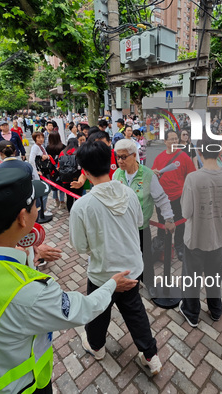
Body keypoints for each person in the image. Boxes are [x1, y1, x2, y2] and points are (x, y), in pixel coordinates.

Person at [0, 168, 137, 393]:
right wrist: (112, 285)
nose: (38, 209)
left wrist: (29, 254)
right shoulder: (26, 291)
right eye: (35, 206)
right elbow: (82, 310)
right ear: (23, 217)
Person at [70, 141, 162, 376]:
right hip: (131, 267)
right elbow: (140, 223)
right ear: (111, 164)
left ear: (85, 171)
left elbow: (80, 246)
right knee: (135, 311)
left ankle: (97, 347)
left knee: (98, 310)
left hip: (103, 273)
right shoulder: (129, 193)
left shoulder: (82, 206)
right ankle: (150, 356)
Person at [178, 137, 222, 326]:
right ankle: (215, 310)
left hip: (196, 238)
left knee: (192, 278)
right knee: (214, 277)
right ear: (220, 150)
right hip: (218, 238)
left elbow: (186, 212)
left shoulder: (193, 178)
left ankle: (191, 312)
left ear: (199, 152)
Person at [112, 139, 174, 297]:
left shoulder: (147, 175)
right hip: (122, 227)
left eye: (124, 157)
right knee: (125, 256)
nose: (120, 160)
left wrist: (169, 219)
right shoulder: (117, 174)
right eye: (117, 156)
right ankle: (131, 281)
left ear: (134, 156)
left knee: (145, 256)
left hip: (141, 227)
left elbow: (161, 199)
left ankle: (149, 283)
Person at [152, 130, 196, 261]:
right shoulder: (159, 158)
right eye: (171, 139)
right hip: (161, 199)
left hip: (179, 197)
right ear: (165, 141)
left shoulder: (184, 157)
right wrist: (153, 172)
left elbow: (191, 176)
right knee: (162, 223)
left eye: (176, 139)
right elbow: (153, 175)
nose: (174, 141)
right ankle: (162, 246)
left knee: (180, 224)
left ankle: (179, 246)